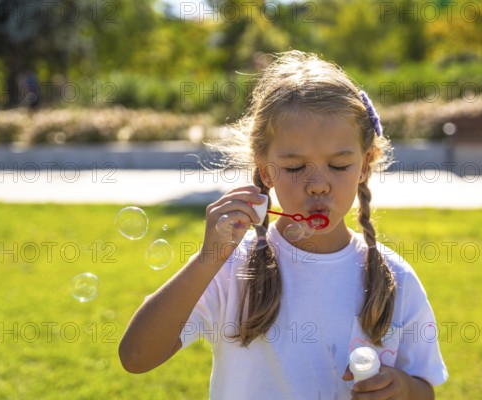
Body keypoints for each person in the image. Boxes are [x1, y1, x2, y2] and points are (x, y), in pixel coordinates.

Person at [119, 50, 448, 399]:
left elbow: (424, 387)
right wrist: (208, 260)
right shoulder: (232, 268)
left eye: (339, 165)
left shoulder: (394, 278)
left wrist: (402, 388)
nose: (318, 184)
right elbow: (136, 356)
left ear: (366, 164)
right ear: (266, 171)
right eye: (294, 168)